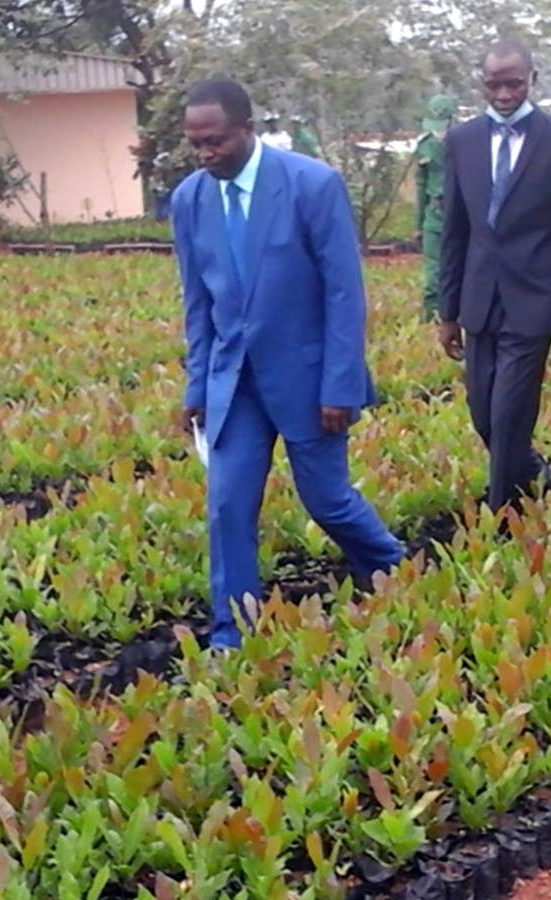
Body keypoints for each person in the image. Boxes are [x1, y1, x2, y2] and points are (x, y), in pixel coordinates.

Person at [171, 77, 403, 650]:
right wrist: (196, 388)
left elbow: (344, 293)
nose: (205, 154)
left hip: (308, 378)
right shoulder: (190, 200)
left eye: (216, 142)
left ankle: (392, 566)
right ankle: (233, 633)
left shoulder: (311, 185)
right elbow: (197, 302)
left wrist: (341, 384)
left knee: (327, 500)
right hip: (234, 382)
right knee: (227, 506)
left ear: (248, 129)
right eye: (195, 144)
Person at [436, 40, 551, 511]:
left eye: (514, 83)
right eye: (494, 84)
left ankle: (501, 513)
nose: (504, 93)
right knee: (482, 413)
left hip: (536, 303)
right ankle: (535, 474)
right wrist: (447, 312)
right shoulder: (462, 141)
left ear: (532, 80)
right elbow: (455, 231)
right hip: (479, 300)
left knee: (509, 414)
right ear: (481, 83)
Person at [415, 94, 456, 319]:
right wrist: (418, 223)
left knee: (458, 266)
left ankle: (456, 312)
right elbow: (420, 185)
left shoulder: (465, 143)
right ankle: (432, 314)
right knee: (433, 269)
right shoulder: (425, 146)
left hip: (459, 213)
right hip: (434, 212)